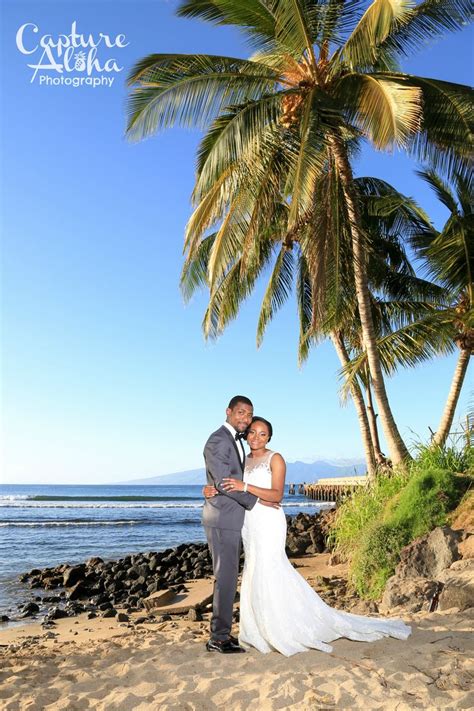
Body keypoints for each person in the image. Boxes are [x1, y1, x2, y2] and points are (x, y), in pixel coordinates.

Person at [205, 416, 411, 657]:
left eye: (262, 434)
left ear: (269, 437)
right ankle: (257, 630)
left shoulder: (276, 458)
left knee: (271, 568)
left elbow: (276, 495)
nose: (256, 438)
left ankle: (282, 628)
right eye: (252, 432)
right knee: (253, 569)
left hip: (269, 520)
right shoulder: (244, 459)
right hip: (249, 522)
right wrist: (209, 488)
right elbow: (225, 481)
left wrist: (246, 487)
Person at [202, 396, 279, 654]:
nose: (245, 419)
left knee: (228, 577)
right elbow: (225, 482)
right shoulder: (218, 440)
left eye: (249, 415)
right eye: (241, 413)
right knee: (224, 578)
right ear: (229, 412)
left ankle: (222, 633)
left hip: (233, 518)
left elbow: (224, 481)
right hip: (223, 518)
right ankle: (219, 637)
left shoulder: (236, 442)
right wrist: (257, 502)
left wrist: (212, 487)